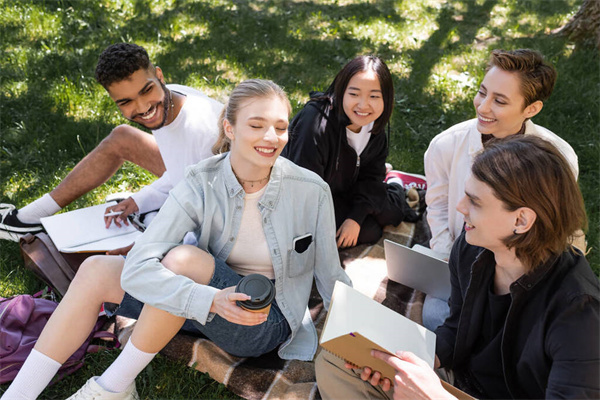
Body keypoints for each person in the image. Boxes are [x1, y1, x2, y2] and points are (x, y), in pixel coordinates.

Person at [1, 79, 351, 400]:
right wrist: (210, 299)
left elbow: (331, 275)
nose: (271, 138)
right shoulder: (201, 181)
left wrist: (359, 337)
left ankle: (109, 389)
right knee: (94, 270)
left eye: (280, 127)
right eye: (256, 126)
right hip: (201, 302)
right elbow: (139, 265)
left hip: (260, 320)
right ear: (229, 128)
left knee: (182, 260)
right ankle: (18, 396)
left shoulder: (310, 190)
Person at [316, 135, 599, 400]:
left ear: (521, 221)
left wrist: (435, 397)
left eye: (475, 202)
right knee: (339, 358)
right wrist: (408, 361)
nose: (461, 207)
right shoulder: (472, 248)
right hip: (460, 381)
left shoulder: (579, 314)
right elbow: (457, 327)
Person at [0, 43, 223, 252]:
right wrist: (139, 200)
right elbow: (181, 174)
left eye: (146, 90)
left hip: (223, 206)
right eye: (126, 102)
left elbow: (208, 214)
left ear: (159, 76)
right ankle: (30, 218)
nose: (143, 107)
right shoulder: (168, 98)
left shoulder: (199, 130)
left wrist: (150, 242)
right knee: (122, 137)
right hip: (202, 186)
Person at [424, 49, 578, 258]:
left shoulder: (560, 159)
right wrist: (446, 260)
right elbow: (438, 208)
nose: (483, 107)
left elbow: (552, 226)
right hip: (460, 253)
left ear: (531, 109)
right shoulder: (445, 145)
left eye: (500, 101)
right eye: (482, 92)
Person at [282, 55, 415, 248]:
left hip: (347, 188)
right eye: (354, 94)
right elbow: (303, 190)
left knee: (392, 213)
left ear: (386, 99)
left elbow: (371, 178)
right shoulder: (315, 124)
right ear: (341, 91)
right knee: (369, 231)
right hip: (308, 200)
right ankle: (388, 186)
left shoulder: (375, 127)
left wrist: (355, 217)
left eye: (374, 96)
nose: (363, 105)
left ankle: (394, 183)